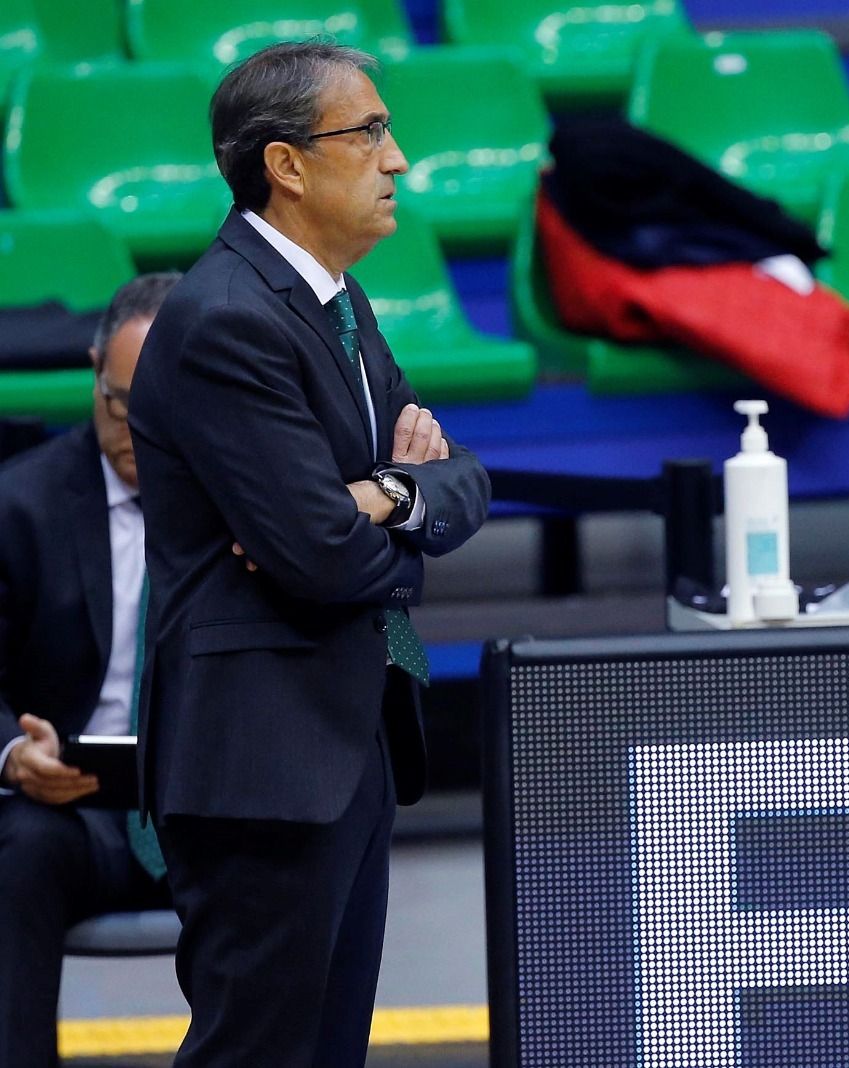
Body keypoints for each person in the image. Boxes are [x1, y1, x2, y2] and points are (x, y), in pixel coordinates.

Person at [127, 42, 490, 1066]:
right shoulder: (225, 320)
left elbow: (463, 479)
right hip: (262, 764)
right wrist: (388, 518)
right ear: (285, 165)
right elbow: (324, 561)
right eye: (369, 132)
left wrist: (381, 494)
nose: (399, 159)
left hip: (344, 740)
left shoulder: (332, 300)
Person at [0, 272, 180, 1067]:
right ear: (93, 370)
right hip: (73, 810)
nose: (137, 429)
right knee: (21, 854)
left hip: (204, 802)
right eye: (118, 404)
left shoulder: (248, 500)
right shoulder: (21, 504)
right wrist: (12, 752)